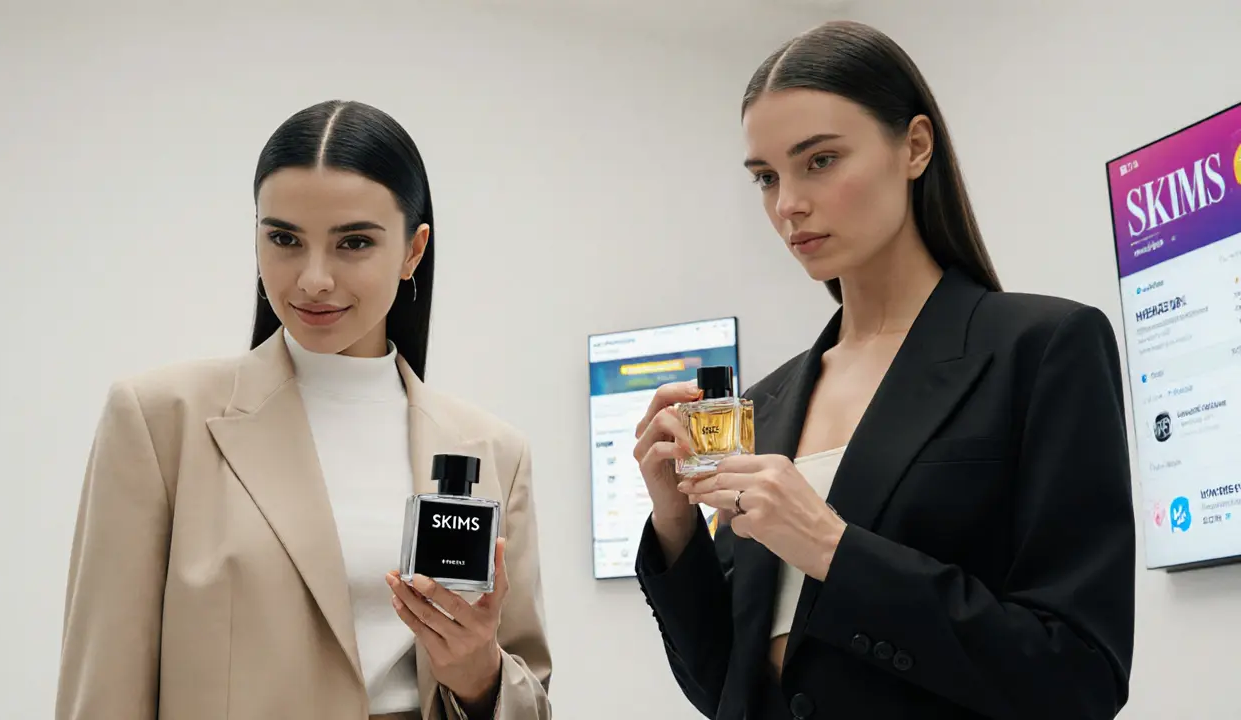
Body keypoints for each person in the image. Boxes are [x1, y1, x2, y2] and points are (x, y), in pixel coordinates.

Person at [632, 21, 1134, 720]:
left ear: (915, 146)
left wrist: (831, 548)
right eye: (768, 178)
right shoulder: (767, 403)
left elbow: (1079, 675)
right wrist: (675, 526)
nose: (788, 205)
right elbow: (724, 684)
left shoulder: (1043, 348)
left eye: (821, 161)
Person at [55, 100, 551, 720]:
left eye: (354, 243)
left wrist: (478, 676)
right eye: (284, 238)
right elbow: (103, 689)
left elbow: (530, 693)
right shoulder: (159, 422)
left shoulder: (494, 450)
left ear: (412, 251)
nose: (313, 278)